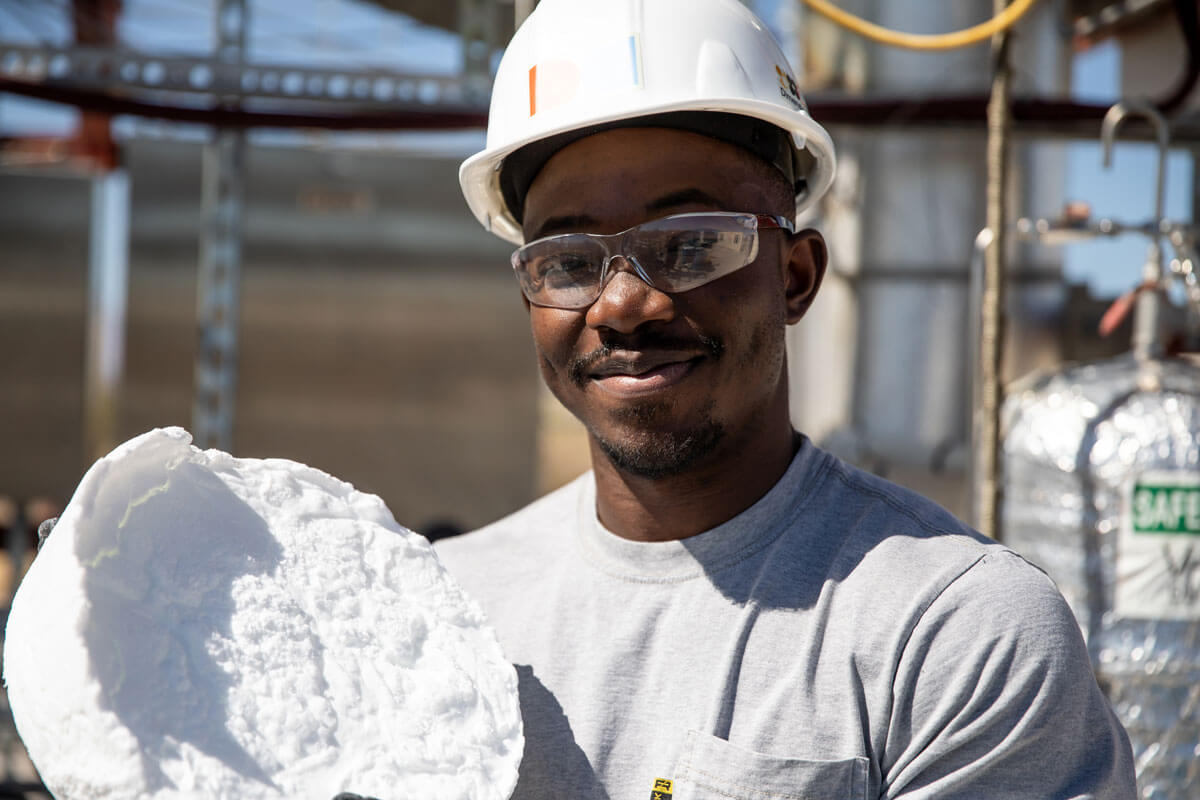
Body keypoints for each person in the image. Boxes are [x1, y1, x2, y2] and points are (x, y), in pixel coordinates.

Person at [437, 0, 1137, 798]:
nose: (623, 305)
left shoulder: (954, 632)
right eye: (567, 262)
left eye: (691, 242)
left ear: (796, 277)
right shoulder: (441, 608)